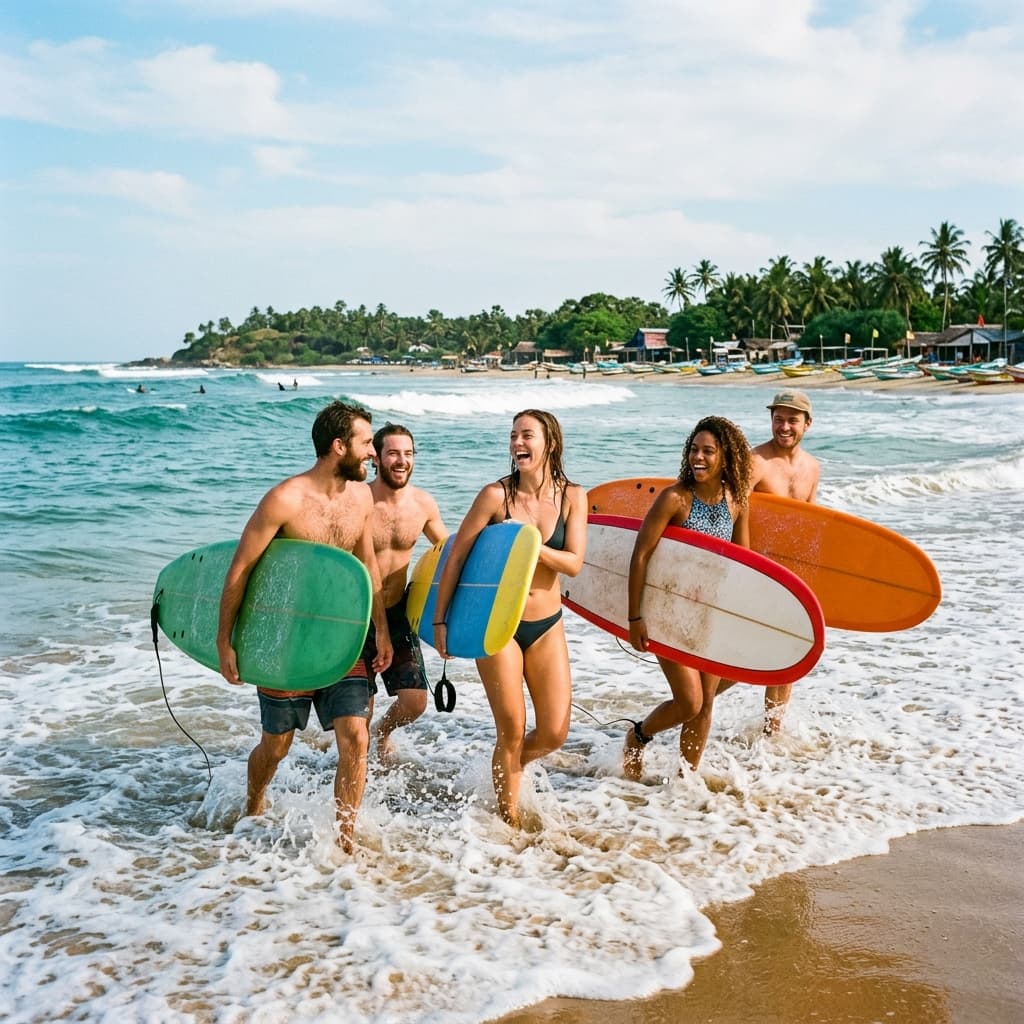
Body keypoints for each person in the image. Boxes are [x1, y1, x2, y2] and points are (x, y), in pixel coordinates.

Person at [216, 400, 392, 854]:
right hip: (287, 642)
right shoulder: (285, 500)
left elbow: (367, 567)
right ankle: (254, 802)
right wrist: (225, 640)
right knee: (276, 746)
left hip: (343, 634)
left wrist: (383, 632)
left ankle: (345, 842)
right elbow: (240, 570)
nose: (373, 453)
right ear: (338, 447)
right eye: (366, 443)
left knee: (355, 734)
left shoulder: (361, 498)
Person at [432, 410, 587, 827]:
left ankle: (506, 770)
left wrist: (529, 544)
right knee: (513, 728)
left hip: (547, 623)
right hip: (499, 625)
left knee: (554, 731)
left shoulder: (573, 496)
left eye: (527, 435)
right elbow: (456, 556)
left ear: (549, 443)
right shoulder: (494, 497)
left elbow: (573, 563)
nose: (518, 442)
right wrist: (441, 621)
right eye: (513, 435)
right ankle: (509, 821)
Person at [623, 415, 752, 780]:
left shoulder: (737, 500)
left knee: (706, 701)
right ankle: (638, 736)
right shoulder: (675, 499)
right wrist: (635, 617)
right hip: (669, 611)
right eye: (694, 450)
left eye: (709, 451)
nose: (699, 457)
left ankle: (685, 781)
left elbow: (744, 565)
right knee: (688, 701)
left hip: (711, 614)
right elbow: (641, 555)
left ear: (726, 457)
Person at [717, 389, 820, 733]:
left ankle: (771, 732)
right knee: (744, 658)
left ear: (808, 423)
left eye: (792, 420)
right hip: (754, 572)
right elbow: (729, 510)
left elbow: (811, 526)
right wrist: (739, 564)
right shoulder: (755, 461)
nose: (784, 427)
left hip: (791, 575)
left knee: (790, 652)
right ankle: (694, 703)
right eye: (778, 419)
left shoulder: (812, 468)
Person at [366, 423, 447, 763]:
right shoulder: (359, 501)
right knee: (357, 713)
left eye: (408, 453)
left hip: (399, 612)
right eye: (394, 453)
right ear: (377, 458)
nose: (402, 461)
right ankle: (358, 769)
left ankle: (381, 733)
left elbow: (448, 553)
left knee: (415, 703)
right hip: (357, 616)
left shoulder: (422, 504)